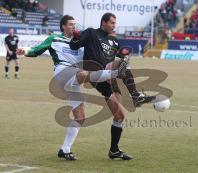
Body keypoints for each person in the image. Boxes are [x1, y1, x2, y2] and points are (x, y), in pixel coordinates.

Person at [17, 15, 128, 161]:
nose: (74, 27)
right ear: (63, 26)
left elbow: (93, 57)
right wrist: (25, 51)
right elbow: (36, 50)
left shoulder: (80, 42)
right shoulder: (54, 39)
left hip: (74, 80)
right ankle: (113, 74)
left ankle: (65, 149)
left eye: (75, 24)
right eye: (70, 24)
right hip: (63, 74)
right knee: (82, 74)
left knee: (80, 117)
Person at [70, 12, 156, 160]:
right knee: (122, 63)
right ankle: (135, 95)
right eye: (111, 23)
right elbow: (74, 45)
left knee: (120, 115)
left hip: (108, 78)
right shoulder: (91, 32)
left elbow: (124, 55)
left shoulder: (115, 41)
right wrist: (76, 36)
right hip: (95, 72)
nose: (114, 25)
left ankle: (114, 151)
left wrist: (126, 55)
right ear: (103, 22)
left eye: (115, 23)